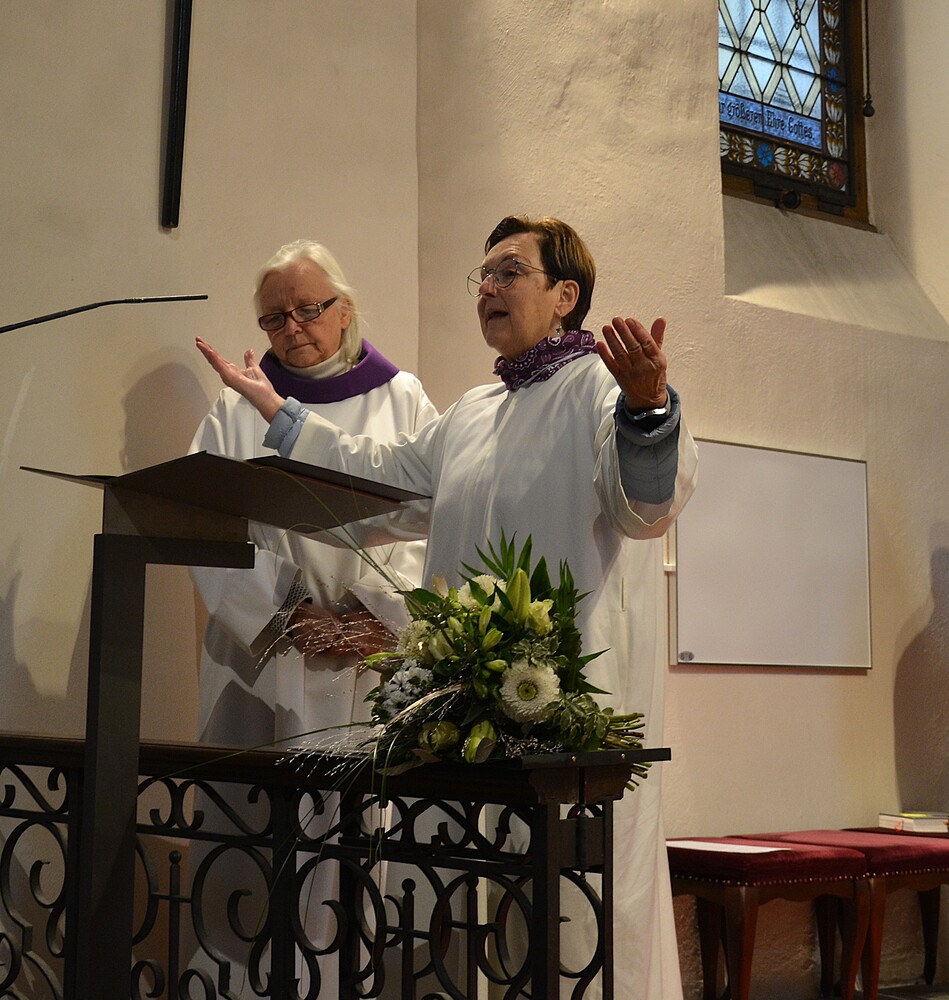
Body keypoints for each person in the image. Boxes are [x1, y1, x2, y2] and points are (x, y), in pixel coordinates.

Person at [196, 216, 698, 999]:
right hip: (469, 711)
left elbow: (647, 508)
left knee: (573, 922)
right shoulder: (472, 412)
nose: (488, 287)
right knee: (471, 911)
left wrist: (649, 407)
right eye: (482, 276)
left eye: (509, 271)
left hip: (566, 713)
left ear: (565, 295)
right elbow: (375, 480)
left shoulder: (600, 390)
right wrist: (276, 410)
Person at [187, 240, 437, 996]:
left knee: (352, 844)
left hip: (369, 657)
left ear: (345, 310)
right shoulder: (236, 409)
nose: (291, 326)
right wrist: (282, 616)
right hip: (260, 657)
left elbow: (431, 517)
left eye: (307, 309)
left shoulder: (402, 399)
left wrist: (380, 615)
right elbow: (208, 522)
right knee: (246, 840)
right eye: (274, 317)